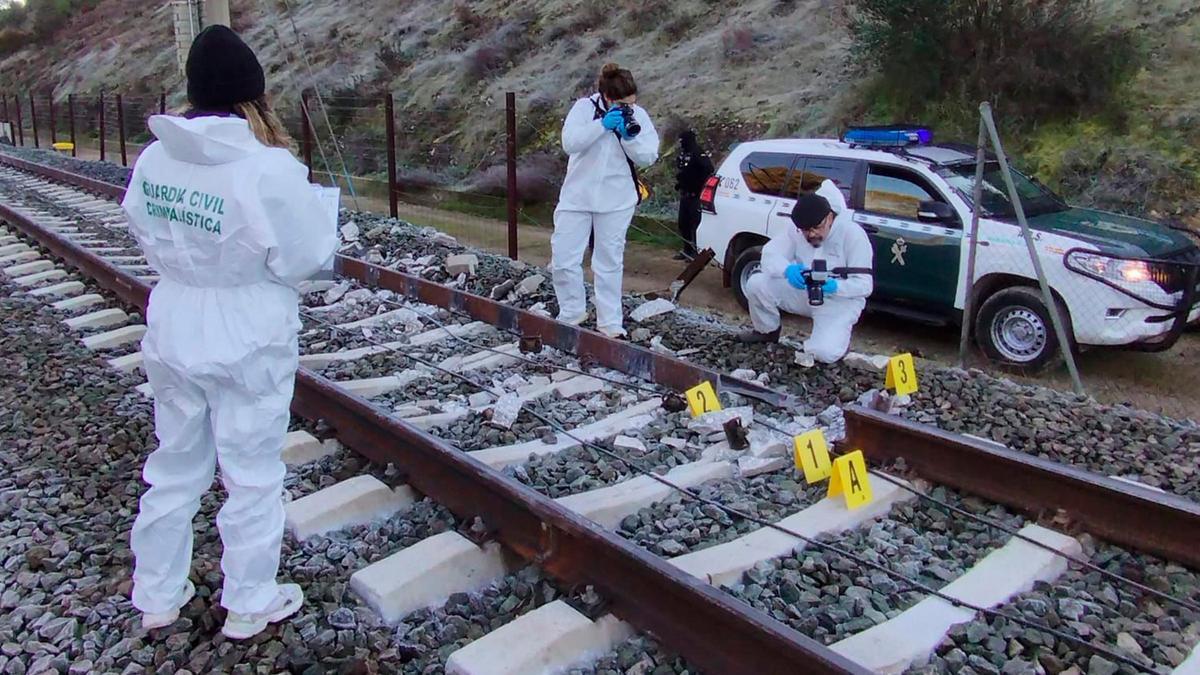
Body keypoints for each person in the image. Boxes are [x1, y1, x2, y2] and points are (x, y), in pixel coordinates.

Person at [120, 26, 337, 639]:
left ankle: (157, 594)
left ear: (194, 92)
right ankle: (248, 601)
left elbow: (141, 227)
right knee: (252, 471)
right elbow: (305, 260)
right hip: (248, 328)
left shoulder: (155, 158)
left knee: (173, 462)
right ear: (254, 96)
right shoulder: (269, 169)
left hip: (175, 316)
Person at [552, 63, 660, 338]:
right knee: (564, 257)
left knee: (608, 262)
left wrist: (628, 137)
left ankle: (610, 323)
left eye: (632, 103)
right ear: (608, 98)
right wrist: (601, 125)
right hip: (577, 196)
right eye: (623, 104)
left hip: (616, 199)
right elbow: (570, 143)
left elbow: (648, 156)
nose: (629, 108)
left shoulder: (638, 115)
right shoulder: (583, 109)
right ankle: (572, 311)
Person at [738, 180, 874, 363]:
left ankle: (837, 341)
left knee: (823, 353)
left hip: (839, 301)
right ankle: (766, 331)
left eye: (815, 228)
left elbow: (865, 286)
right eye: (805, 230)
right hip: (805, 292)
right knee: (756, 283)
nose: (811, 234)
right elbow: (770, 255)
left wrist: (835, 286)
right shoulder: (797, 230)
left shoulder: (853, 235)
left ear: (830, 218)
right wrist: (787, 270)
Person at [674, 129, 714, 260]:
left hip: (696, 194)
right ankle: (687, 250)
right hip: (685, 194)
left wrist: (696, 182)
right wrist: (681, 182)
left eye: (682, 141)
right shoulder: (683, 153)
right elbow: (682, 170)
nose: (681, 143)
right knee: (683, 223)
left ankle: (696, 252)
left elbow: (708, 169)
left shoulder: (698, 153)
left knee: (694, 224)